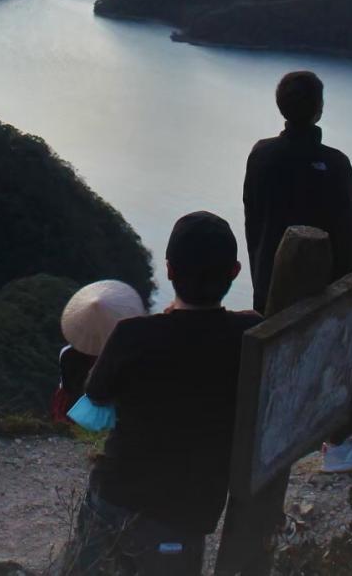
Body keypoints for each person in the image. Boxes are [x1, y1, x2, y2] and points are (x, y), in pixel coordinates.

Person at [63, 212, 261, 575]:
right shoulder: (250, 335)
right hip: (186, 512)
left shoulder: (132, 336)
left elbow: (97, 392)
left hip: (117, 497)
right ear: (234, 272)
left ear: (169, 270)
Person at [241, 69, 352, 472]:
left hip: (269, 283)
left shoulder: (261, 154)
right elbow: (349, 235)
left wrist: (259, 268)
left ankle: (261, 444)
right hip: (323, 288)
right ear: (319, 109)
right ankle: (336, 445)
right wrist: (351, 293)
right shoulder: (335, 165)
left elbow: (253, 215)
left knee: (275, 364)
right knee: (336, 361)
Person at [52, 279, 146, 422]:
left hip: (72, 410)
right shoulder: (126, 353)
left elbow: (66, 387)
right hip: (114, 410)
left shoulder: (67, 353)